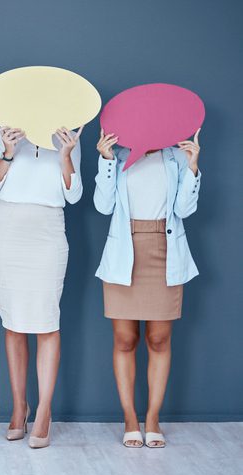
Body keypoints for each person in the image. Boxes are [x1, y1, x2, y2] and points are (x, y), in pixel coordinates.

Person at [94, 128, 202, 448]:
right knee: (125, 339)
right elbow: (103, 205)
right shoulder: (119, 154)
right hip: (124, 250)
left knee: (158, 338)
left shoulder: (177, 155)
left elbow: (184, 210)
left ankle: (152, 417)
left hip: (164, 249)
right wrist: (105, 160)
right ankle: (130, 417)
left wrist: (193, 166)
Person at [0, 125, 84, 449]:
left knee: (46, 324)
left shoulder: (65, 135)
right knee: (13, 323)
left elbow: (74, 194)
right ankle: (18, 406)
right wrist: (8, 153)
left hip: (48, 229)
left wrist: (66, 155)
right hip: (9, 228)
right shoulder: (6, 132)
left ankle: (44, 411)